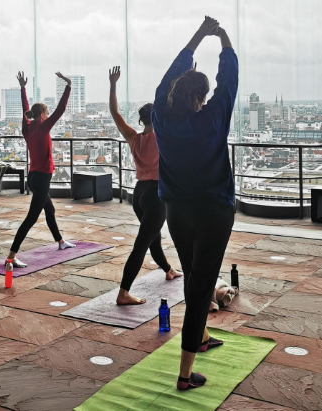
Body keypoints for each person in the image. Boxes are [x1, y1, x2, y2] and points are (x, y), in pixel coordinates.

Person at [152, 17, 238, 390]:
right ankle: (186, 375)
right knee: (201, 287)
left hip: (177, 211)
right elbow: (229, 81)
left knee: (194, 276)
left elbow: (170, 75)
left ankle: (201, 336)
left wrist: (198, 37)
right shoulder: (212, 119)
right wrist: (223, 39)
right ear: (201, 98)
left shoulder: (160, 116)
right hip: (214, 211)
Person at [108, 66, 181, 305]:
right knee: (142, 244)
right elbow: (174, 108)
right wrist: (181, 80)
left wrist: (113, 84)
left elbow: (115, 113)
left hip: (138, 194)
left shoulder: (134, 137)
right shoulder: (162, 137)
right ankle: (124, 292)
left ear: (140, 120)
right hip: (157, 195)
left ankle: (168, 269)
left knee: (153, 238)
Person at [6, 71, 76, 268]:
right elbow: (61, 110)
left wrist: (23, 88)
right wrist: (68, 86)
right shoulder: (43, 127)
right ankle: (11, 256)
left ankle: (61, 242)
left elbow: (25, 109)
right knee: (31, 218)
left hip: (34, 176)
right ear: (43, 115)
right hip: (43, 177)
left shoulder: (27, 128)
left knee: (50, 210)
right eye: (46, 113)